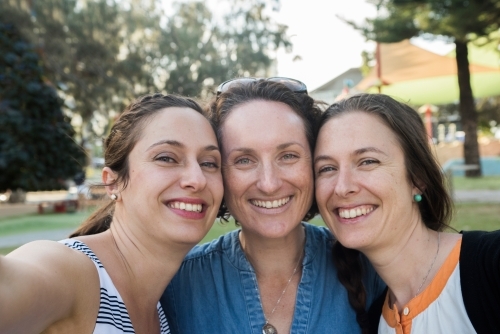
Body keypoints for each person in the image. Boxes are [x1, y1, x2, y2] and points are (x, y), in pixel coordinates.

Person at [161, 79, 385, 334]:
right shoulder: (174, 285)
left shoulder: (374, 270)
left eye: (288, 156)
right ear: (218, 170)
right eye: (244, 160)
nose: (269, 184)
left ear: (314, 163)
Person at [0, 93, 224, 333]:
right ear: (113, 183)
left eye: (209, 163)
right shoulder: (72, 272)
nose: (197, 179)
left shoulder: (164, 312)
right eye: (166, 158)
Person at [314, 93, 500, 334]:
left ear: (418, 178)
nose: (342, 187)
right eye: (327, 168)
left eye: (368, 161)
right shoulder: (372, 320)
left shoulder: (491, 268)